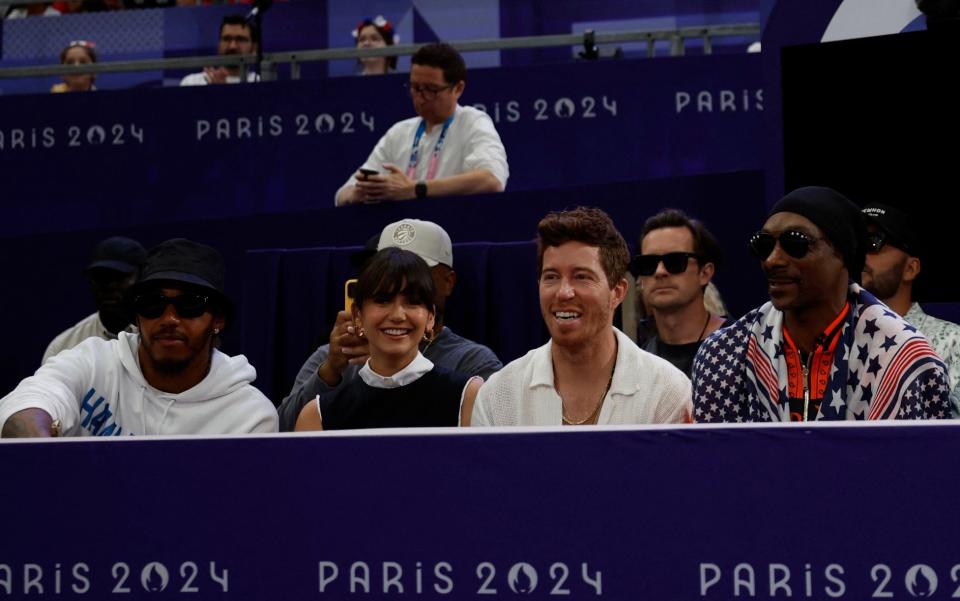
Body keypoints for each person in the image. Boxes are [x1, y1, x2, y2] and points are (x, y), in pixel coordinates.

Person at [693, 186, 951, 422]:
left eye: (796, 243)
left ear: (842, 254)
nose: (772, 260)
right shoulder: (723, 355)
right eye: (764, 245)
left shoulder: (907, 360)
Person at [1, 238, 277, 437]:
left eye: (190, 304)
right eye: (152, 303)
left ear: (218, 320)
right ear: (136, 316)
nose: (169, 318)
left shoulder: (248, 414)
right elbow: (32, 398)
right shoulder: (94, 362)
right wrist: (36, 447)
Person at [471, 207, 692, 426]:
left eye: (582, 277)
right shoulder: (497, 396)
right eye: (551, 277)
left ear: (618, 292)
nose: (563, 292)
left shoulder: (667, 392)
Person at [278, 218, 502, 431]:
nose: (397, 314)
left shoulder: (471, 375)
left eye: (413, 296)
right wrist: (330, 371)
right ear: (358, 312)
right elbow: (284, 433)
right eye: (383, 298)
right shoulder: (329, 366)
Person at [335, 42, 508, 206]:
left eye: (431, 90)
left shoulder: (472, 122)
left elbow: (491, 180)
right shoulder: (399, 132)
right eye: (415, 88)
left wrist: (416, 189)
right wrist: (359, 194)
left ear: (458, 89)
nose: (421, 97)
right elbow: (342, 194)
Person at [861, 202, 960, 412]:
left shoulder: (954, 341)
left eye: (872, 243)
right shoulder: (834, 340)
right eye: (854, 244)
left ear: (910, 268)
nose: (859, 254)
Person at [633, 209, 732, 378]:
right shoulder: (638, 364)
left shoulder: (742, 346)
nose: (660, 271)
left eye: (675, 261)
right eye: (648, 263)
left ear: (705, 273)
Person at [42, 236, 146, 364]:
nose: (109, 286)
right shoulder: (64, 347)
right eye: (100, 277)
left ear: (142, 279)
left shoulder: (161, 339)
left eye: (119, 277)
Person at [180, 15, 259, 86]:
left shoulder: (262, 83)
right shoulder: (192, 82)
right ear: (219, 44)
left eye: (241, 39)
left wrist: (221, 92)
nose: (232, 46)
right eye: (226, 39)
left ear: (254, 47)